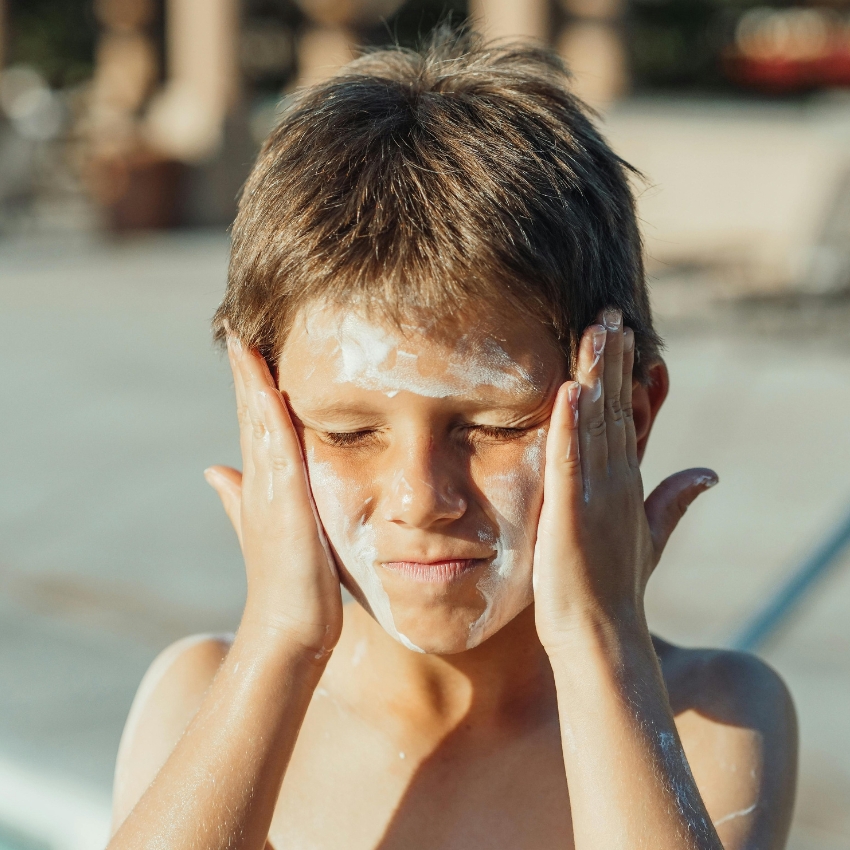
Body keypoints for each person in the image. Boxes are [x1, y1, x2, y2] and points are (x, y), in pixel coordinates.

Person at [106, 27, 797, 850]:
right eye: (349, 431)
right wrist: (281, 642)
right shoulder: (203, 699)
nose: (420, 498)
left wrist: (597, 643)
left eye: (493, 425)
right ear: (267, 432)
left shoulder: (713, 717)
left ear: (631, 417)